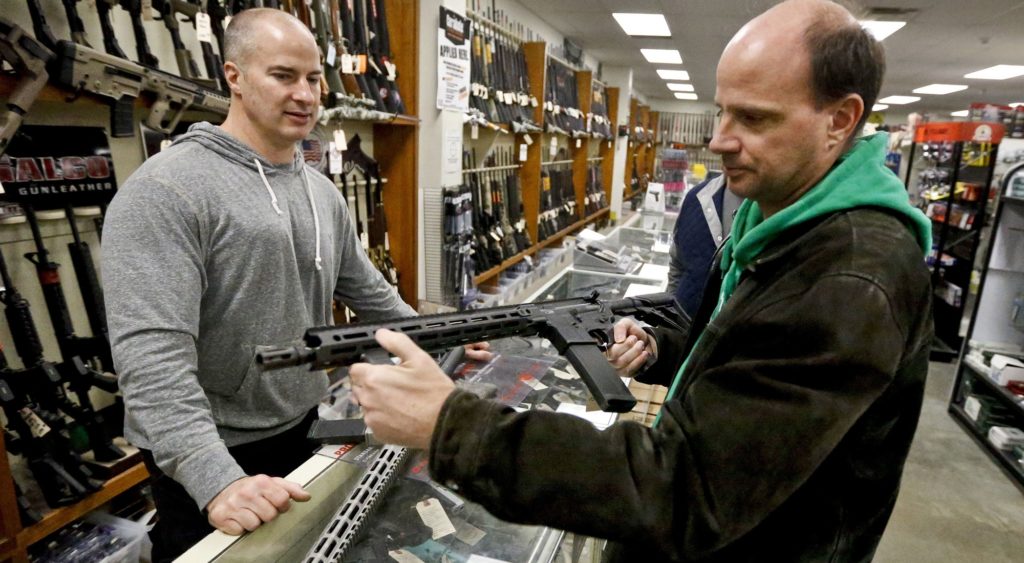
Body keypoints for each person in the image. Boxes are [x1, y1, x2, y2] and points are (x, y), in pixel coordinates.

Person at [348, 0, 934, 561]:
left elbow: (686, 489)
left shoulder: (849, 274)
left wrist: (452, 427)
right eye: (722, 111)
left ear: (840, 120)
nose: (718, 139)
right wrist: (662, 348)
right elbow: (747, 359)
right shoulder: (779, 221)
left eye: (754, 118)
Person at [101, 9, 487, 561]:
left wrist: (441, 338)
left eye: (314, 79)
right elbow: (150, 361)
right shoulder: (165, 192)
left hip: (303, 423)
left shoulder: (319, 191)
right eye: (283, 76)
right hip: (211, 447)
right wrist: (215, 479)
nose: (305, 95)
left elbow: (370, 294)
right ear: (234, 76)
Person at [667, 173, 743, 317]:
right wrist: (669, 320)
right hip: (683, 326)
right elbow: (677, 266)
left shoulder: (780, 212)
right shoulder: (696, 198)